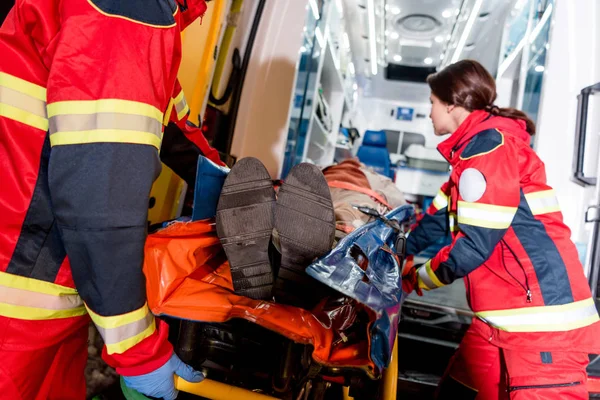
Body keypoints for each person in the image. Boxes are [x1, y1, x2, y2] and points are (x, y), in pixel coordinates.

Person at [0, 1, 214, 398]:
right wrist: (140, 352)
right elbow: (100, 203)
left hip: (37, 285)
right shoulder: (128, 10)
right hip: (17, 297)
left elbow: (166, 116)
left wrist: (228, 181)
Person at [402, 59, 600, 399]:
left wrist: (413, 280)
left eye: (432, 103)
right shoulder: (470, 157)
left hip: (541, 326)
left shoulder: (488, 150)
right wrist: (398, 250)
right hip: (499, 320)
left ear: (451, 103)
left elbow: (474, 246)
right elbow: (435, 218)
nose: (430, 112)